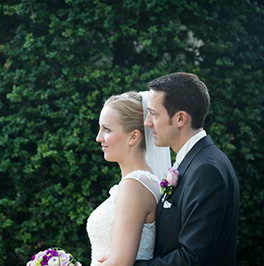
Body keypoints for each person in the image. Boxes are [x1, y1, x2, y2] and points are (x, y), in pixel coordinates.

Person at [135, 72, 240, 265]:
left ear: (180, 118)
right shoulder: (194, 161)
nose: (147, 121)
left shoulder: (207, 170)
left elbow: (192, 259)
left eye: (154, 113)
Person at [86, 91, 171, 265]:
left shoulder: (134, 185)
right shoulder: (144, 182)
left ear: (133, 137)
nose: (98, 138)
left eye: (107, 129)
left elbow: (121, 263)